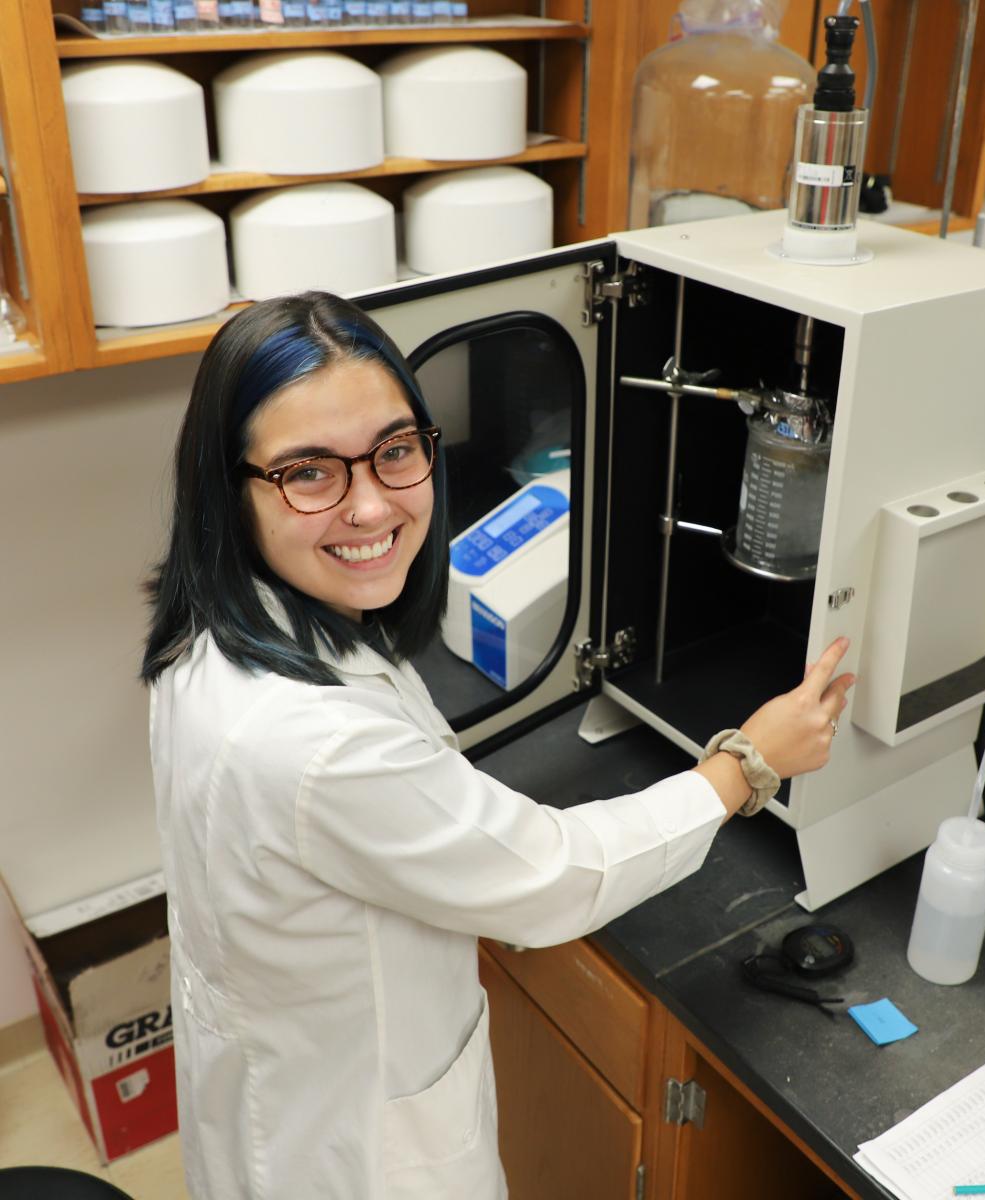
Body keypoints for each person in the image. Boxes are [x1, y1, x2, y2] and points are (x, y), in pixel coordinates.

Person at [141, 292, 854, 1200]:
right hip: (352, 1158)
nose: (370, 507)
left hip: (271, 1088)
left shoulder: (208, 635)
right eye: (309, 472)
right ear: (227, 486)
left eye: (395, 451)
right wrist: (743, 766)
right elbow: (554, 878)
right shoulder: (313, 744)